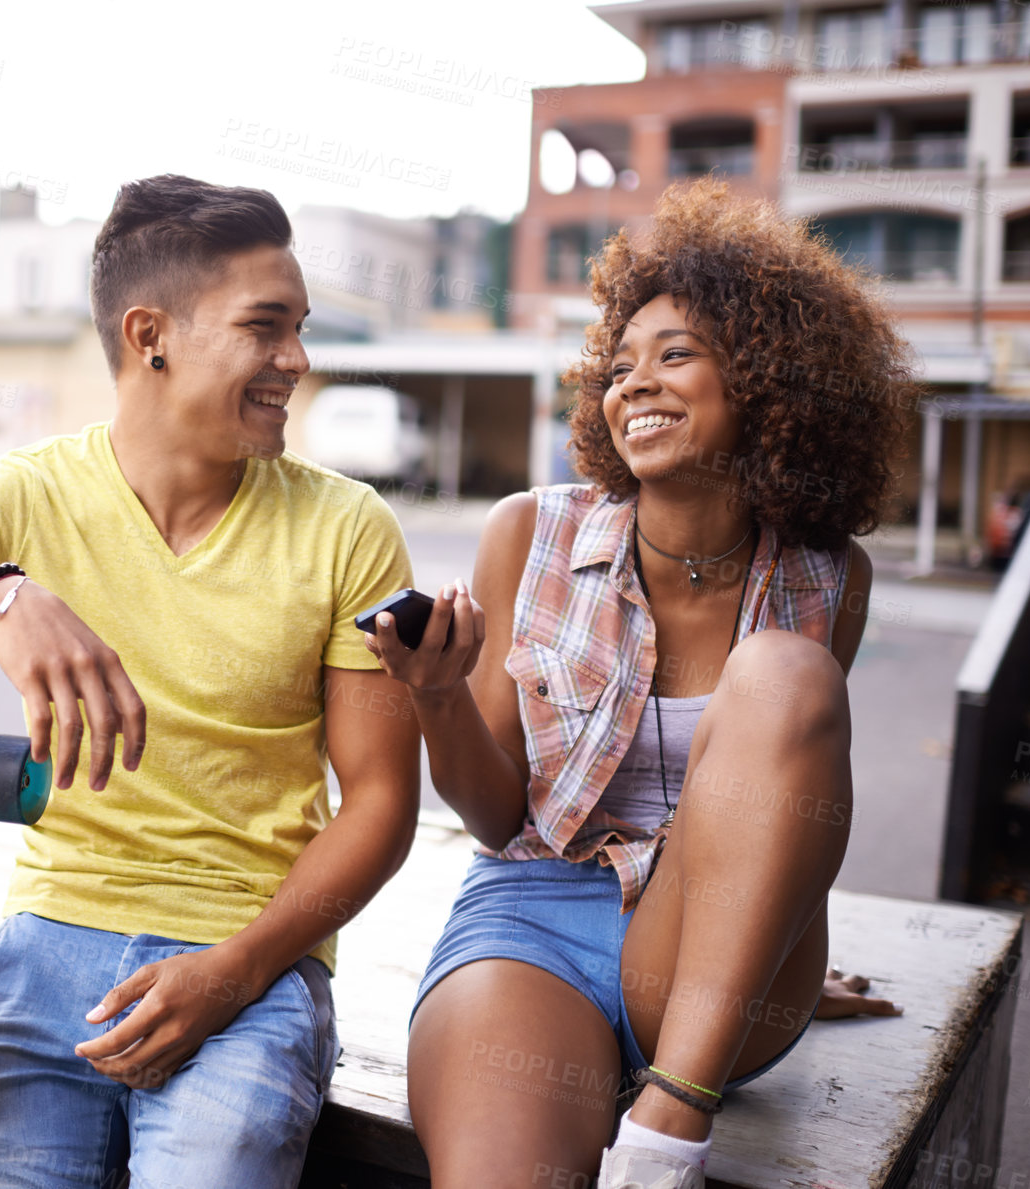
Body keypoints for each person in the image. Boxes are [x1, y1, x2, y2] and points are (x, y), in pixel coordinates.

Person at [0, 174, 421, 1188]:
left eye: (300, 328)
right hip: (42, 954)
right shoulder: (22, 497)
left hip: (248, 964)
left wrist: (235, 972)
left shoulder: (347, 528)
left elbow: (380, 803)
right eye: (266, 327)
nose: (298, 359)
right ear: (152, 334)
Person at [364, 180, 908, 1189]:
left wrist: (774, 949)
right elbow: (492, 818)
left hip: (715, 956)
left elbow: (786, 794)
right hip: (533, 913)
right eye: (619, 366)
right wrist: (437, 696)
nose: (634, 385)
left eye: (676, 355)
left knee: (783, 674)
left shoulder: (830, 577)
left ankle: (668, 1127)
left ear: (767, 381)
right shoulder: (529, 534)